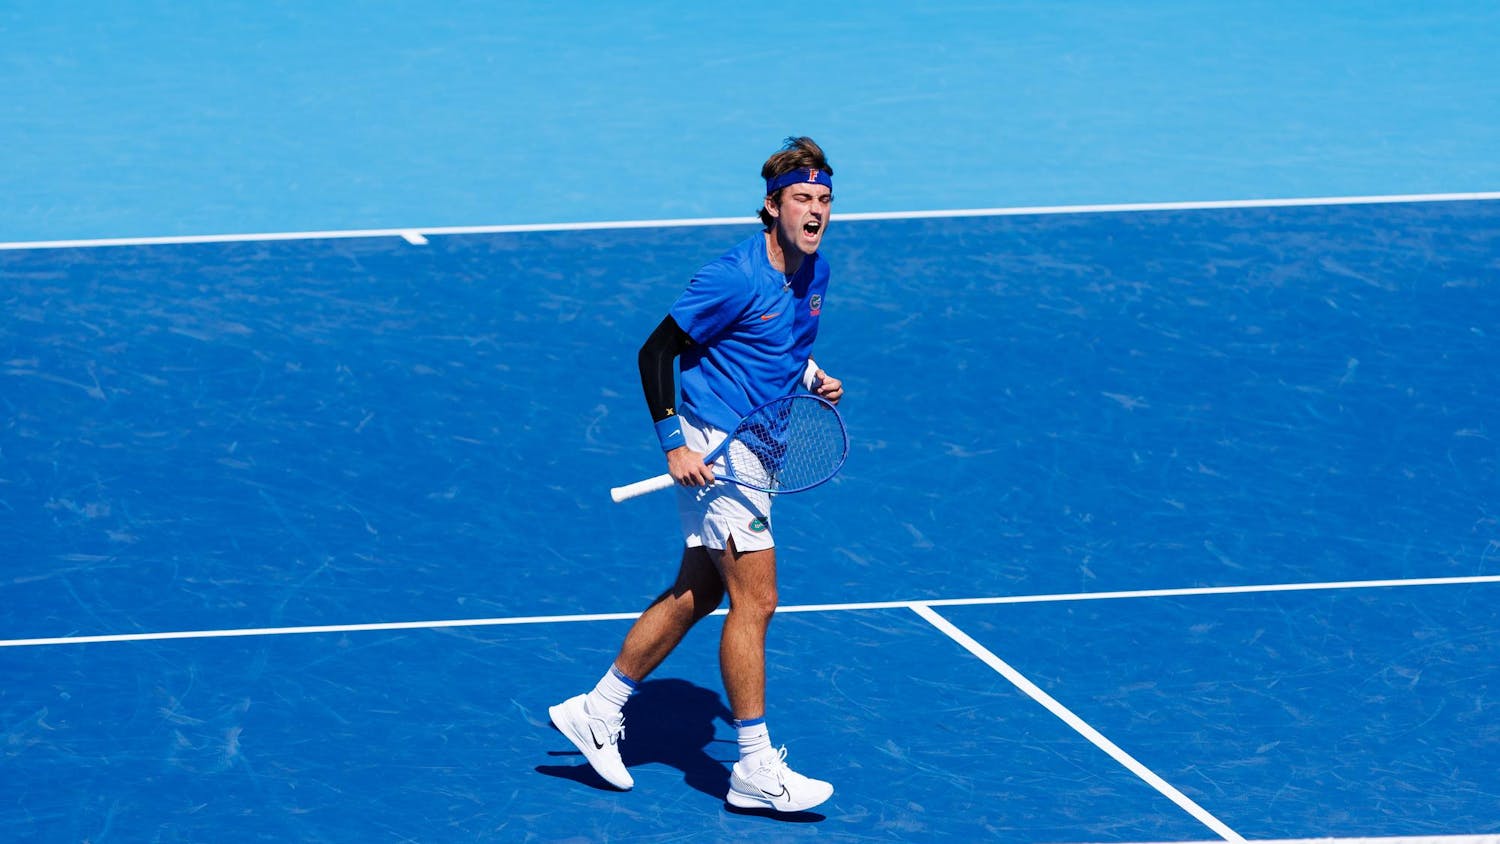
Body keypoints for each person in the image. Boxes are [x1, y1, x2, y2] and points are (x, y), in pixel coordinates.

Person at [548, 137, 844, 813]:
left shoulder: (814, 272)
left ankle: (598, 709)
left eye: (825, 200)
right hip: (719, 446)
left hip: (761, 443)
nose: (816, 211)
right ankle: (754, 768)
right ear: (771, 208)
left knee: (700, 591)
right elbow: (656, 352)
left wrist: (811, 376)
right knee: (757, 602)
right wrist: (675, 446)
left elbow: (783, 346)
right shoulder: (733, 275)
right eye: (803, 199)